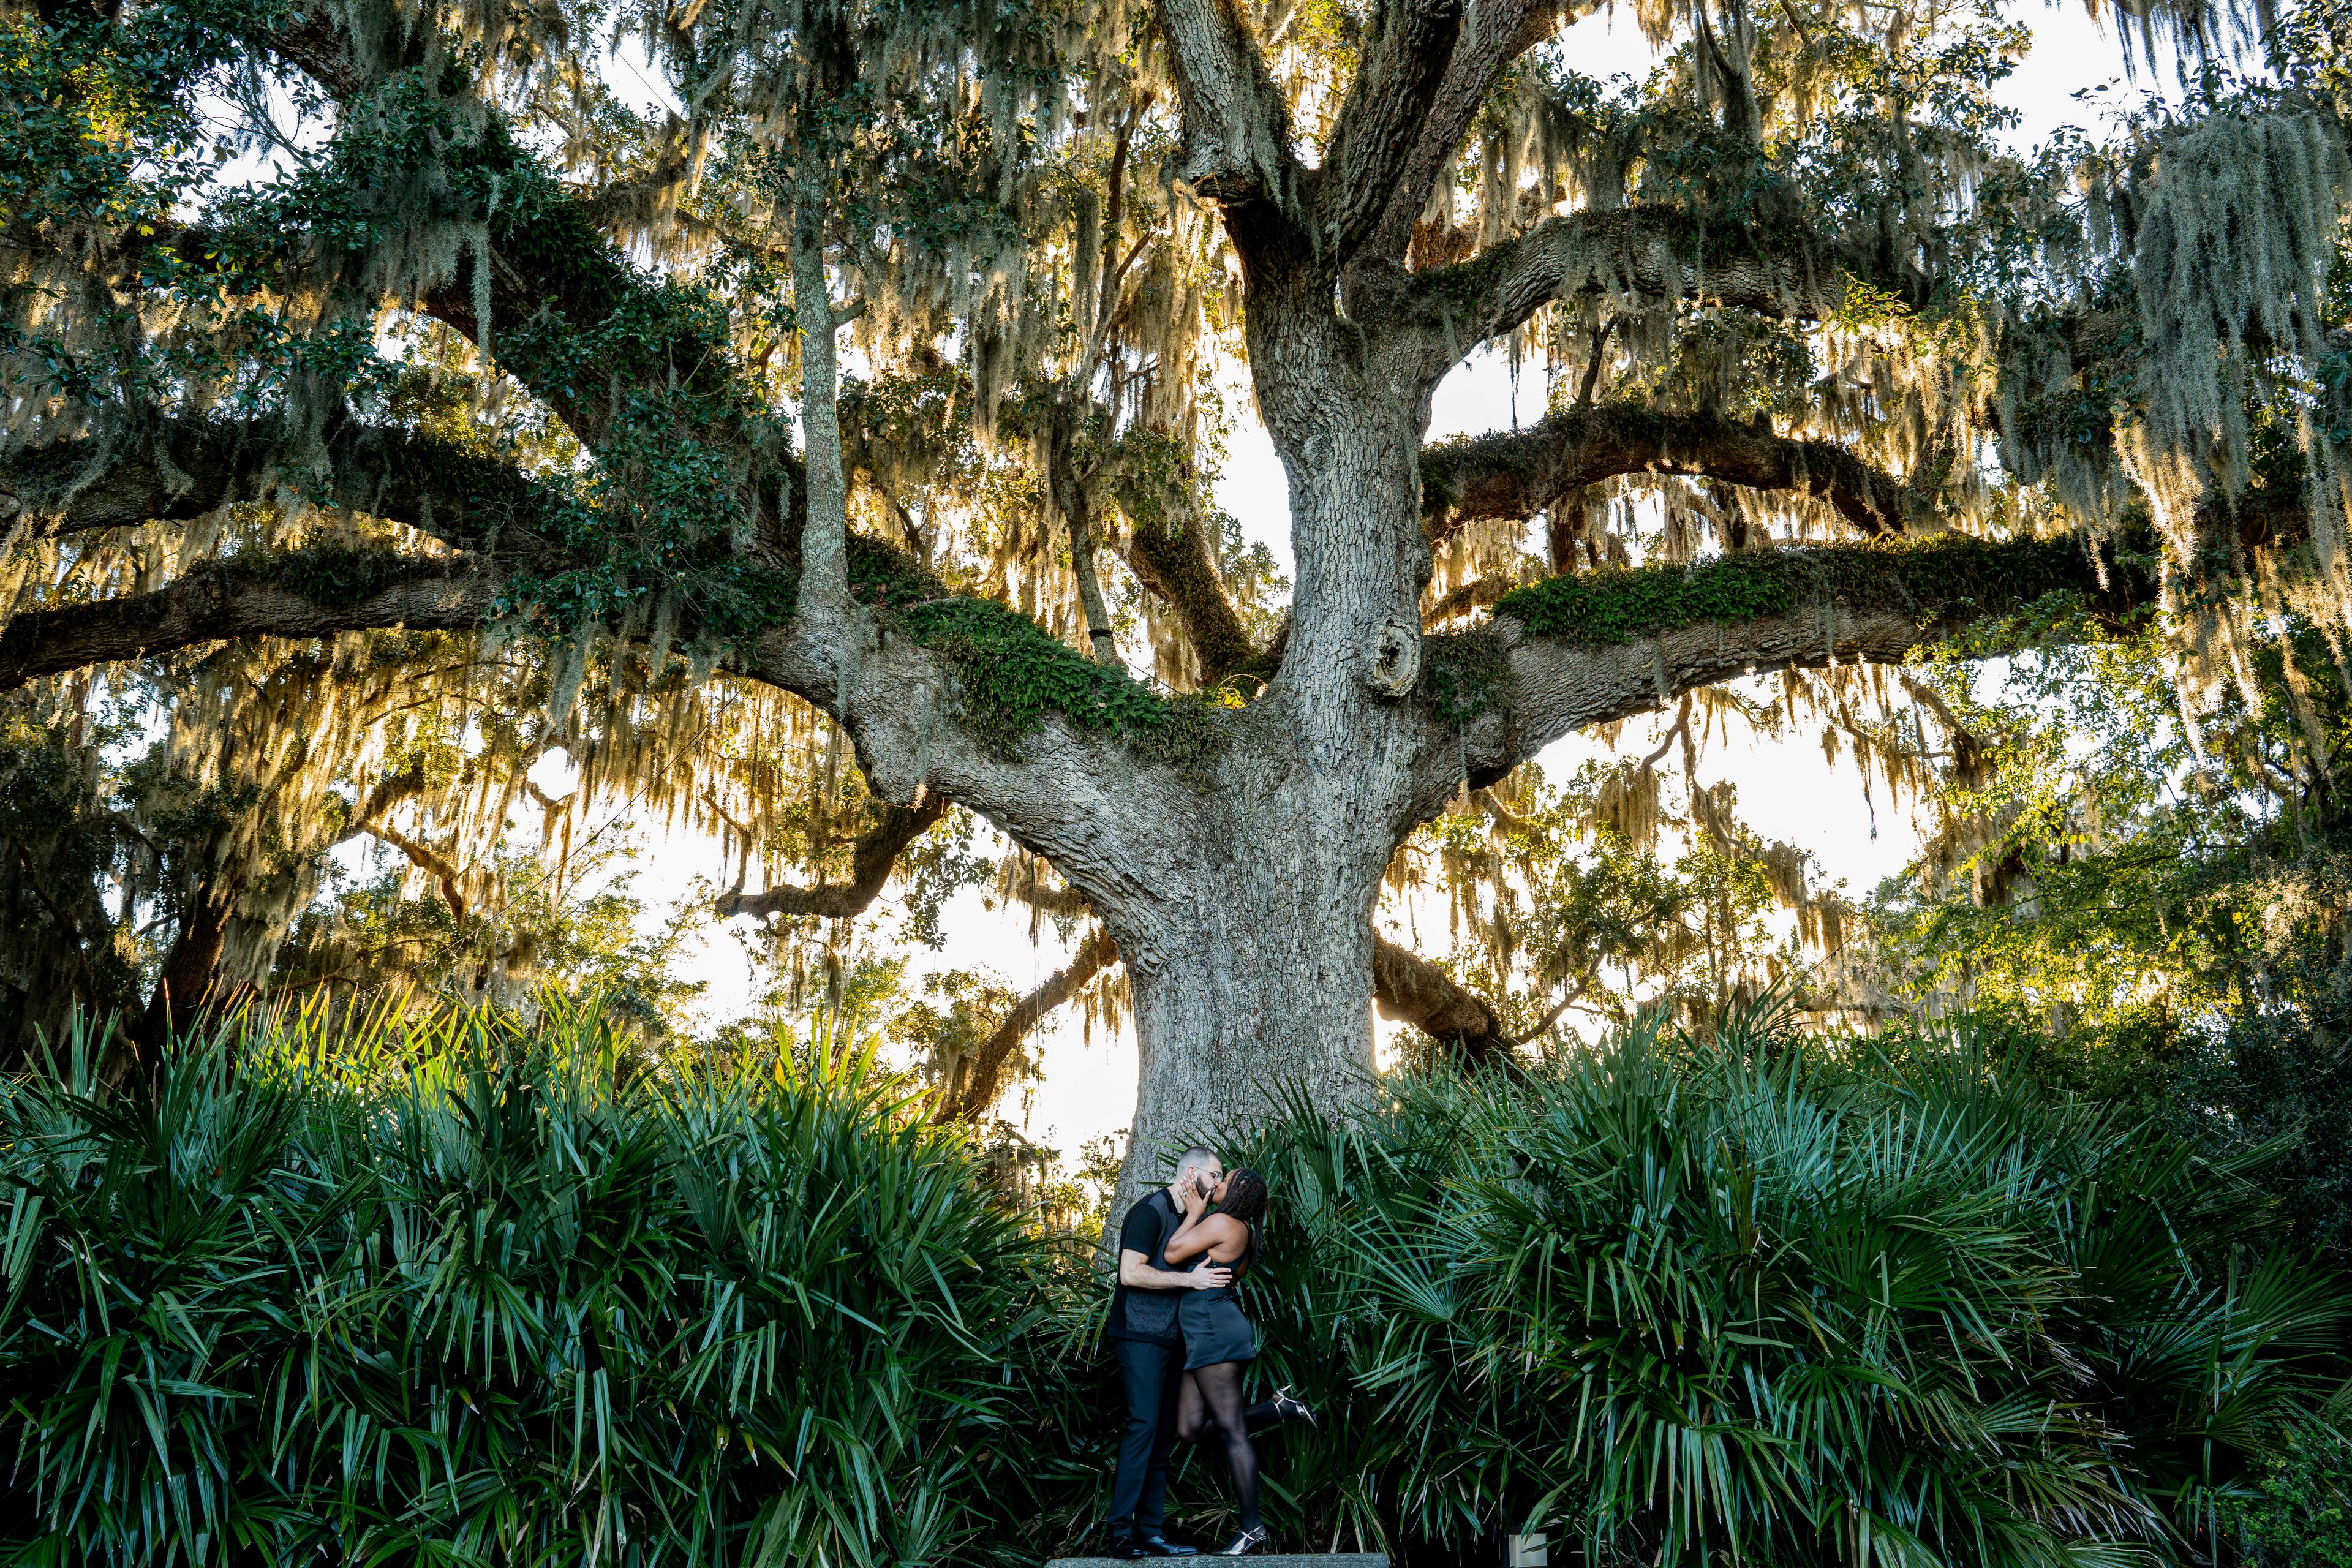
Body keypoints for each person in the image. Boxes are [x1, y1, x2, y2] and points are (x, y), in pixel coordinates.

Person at [1163, 1166, 1317, 1556]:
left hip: (1215, 1332)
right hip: (1207, 1334)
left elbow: (1171, 1253)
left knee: (1232, 1432)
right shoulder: (1242, 1232)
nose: (1217, 1184)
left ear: (1237, 1192)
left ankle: (1251, 1528)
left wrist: (1195, 1212)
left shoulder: (1223, 1223)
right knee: (1190, 1428)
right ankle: (1276, 1408)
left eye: (1225, 1179)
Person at [1104, 1147, 1232, 1559]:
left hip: (1174, 1339)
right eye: (1215, 1176)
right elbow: (1130, 1272)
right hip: (1139, 1335)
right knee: (1142, 1426)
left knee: (1161, 1438)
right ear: (1192, 1173)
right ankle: (1120, 1534)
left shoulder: (1193, 1220)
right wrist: (1188, 1282)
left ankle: (1151, 1534)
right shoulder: (1151, 1210)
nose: (1217, 1185)